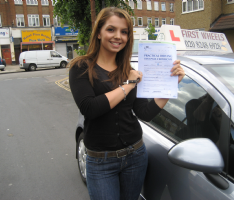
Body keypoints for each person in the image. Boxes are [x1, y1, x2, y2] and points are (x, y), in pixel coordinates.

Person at [69, 7, 185, 200]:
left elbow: (144, 113)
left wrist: (170, 87)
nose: (118, 36)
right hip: (100, 161)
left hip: (135, 155)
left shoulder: (128, 70)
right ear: (98, 32)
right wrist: (128, 85)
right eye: (111, 29)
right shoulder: (82, 67)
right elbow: (90, 108)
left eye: (124, 32)